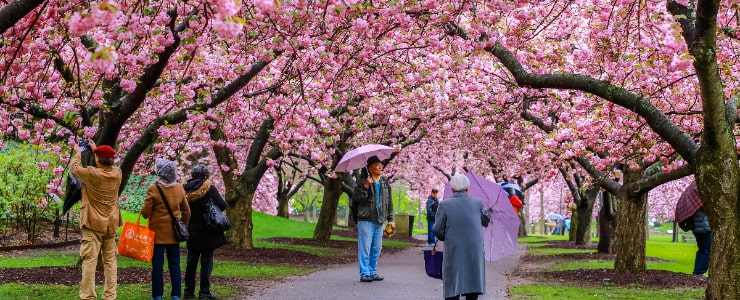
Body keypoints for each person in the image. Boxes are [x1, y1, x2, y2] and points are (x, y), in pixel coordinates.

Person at [70, 141, 122, 300]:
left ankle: (88, 296)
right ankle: (110, 296)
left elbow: (74, 169)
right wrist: (97, 151)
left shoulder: (93, 173)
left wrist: (78, 152)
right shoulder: (117, 173)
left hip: (93, 223)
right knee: (110, 261)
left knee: (89, 260)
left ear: (97, 159)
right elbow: (105, 163)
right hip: (111, 223)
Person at [141, 158, 191, 300]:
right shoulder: (180, 188)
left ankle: (158, 295)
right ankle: (175, 294)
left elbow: (145, 214)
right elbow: (187, 212)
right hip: (173, 234)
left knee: (157, 266)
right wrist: (182, 225)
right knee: (175, 265)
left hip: (156, 235)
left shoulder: (154, 189)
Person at [433, 174, 489, 300]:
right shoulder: (478, 203)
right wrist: (487, 211)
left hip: (454, 246)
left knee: (453, 277)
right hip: (474, 247)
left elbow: (437, 229)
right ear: (467, 188)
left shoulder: (445, 205)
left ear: (452, 189)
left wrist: (445, 237)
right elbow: (485, 221)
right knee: (472, 278)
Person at [183, 165, 227, 300]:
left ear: (193, 174)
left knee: (191, 262)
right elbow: (222, 204)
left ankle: (188, 292)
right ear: (206, 176)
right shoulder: (209, 188)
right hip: (208, 230)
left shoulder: (184, 188)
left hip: (192, 230)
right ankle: (204, 292)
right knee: (206, 262)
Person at [352, 155, 394, 283]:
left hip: (380, 220)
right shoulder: (362, 181)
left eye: (381, 164)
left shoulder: (385, 183)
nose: (380, 166)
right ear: (370, 168)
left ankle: (372, 271)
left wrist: (391, 219)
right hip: (366, 219)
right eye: (376, 164)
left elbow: (389, 202)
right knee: (365, 247)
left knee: (376, 248)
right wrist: (365, 186)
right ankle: (364, 273)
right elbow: (357, 199)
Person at [690, 208, 711, 276]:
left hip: (697, 230)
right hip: (705, 229)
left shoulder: (693, 206)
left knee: (701, 250)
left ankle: (697, 271)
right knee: (707, 251)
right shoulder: (702, 205)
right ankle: (701, 271)